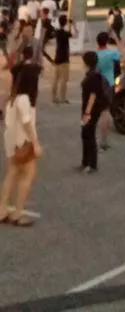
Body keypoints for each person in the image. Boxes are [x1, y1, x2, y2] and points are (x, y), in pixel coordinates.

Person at [0, 49, 42, 225]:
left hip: (11, 140)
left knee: (12, 174)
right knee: (28, 175)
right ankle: (18, 212)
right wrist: (36, 143)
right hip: (22, 141)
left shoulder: (12, 98)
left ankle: (2, 209)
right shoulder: (24, 99)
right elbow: (26, 122)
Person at [80, 51, 105, 173]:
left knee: (89, 134)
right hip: (87, 108)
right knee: (85, 134)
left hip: (91, 110)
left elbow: (93, 95)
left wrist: (87, 112)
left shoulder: (94, 76)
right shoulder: (91, 74)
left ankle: (92, 163)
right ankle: (85, 161)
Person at [96, 32, 121, 150]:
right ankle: (103, 140)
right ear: (106, 42)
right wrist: (116, 39)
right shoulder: (112, 53)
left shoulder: (96, 55)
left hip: (96, 83)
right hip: (109, 82)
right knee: (105, 112)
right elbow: (123, 53)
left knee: (94, 111)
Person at [52, 14, 75, 104]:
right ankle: (62, 98)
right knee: (64, 80)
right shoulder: (65, 34)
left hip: (57, 56)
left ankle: (54, 97)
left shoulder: (57, 32)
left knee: (55, 79)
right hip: (64, 58)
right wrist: (71, 24)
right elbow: (74, 33)